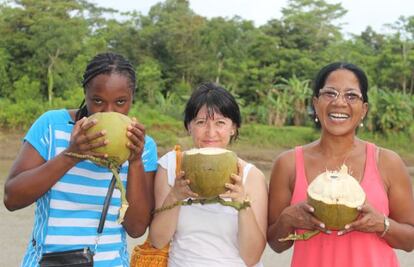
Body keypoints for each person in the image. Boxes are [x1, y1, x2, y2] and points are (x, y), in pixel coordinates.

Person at [3, 52, 158, 266]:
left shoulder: (142, 145)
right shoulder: (51, 126)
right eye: (98, 101)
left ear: (132, 97)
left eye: (121, 102)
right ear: (85, 93)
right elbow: (12, 199)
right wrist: (71, 155)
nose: (109, 111)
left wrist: (135, 162)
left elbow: (136, 228)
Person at [267, 62, 414, 267]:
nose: (339, 102)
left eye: (351, 96)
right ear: (316, 103)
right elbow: (275, 244)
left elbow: (410, 240)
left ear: (364, 110)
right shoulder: (288, 164)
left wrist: (381, 224)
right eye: (330, 93)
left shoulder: (388, 162)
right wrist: (287, 220)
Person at [149, 82, 268, 266]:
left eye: (220, 122)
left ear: (233, 127)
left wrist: (243, 204)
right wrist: (175, 196)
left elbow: (252, 257)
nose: (211, 133)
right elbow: (158, 240)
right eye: (201, 122)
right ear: (189, 126)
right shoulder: (171, 165)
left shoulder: (251, 176)